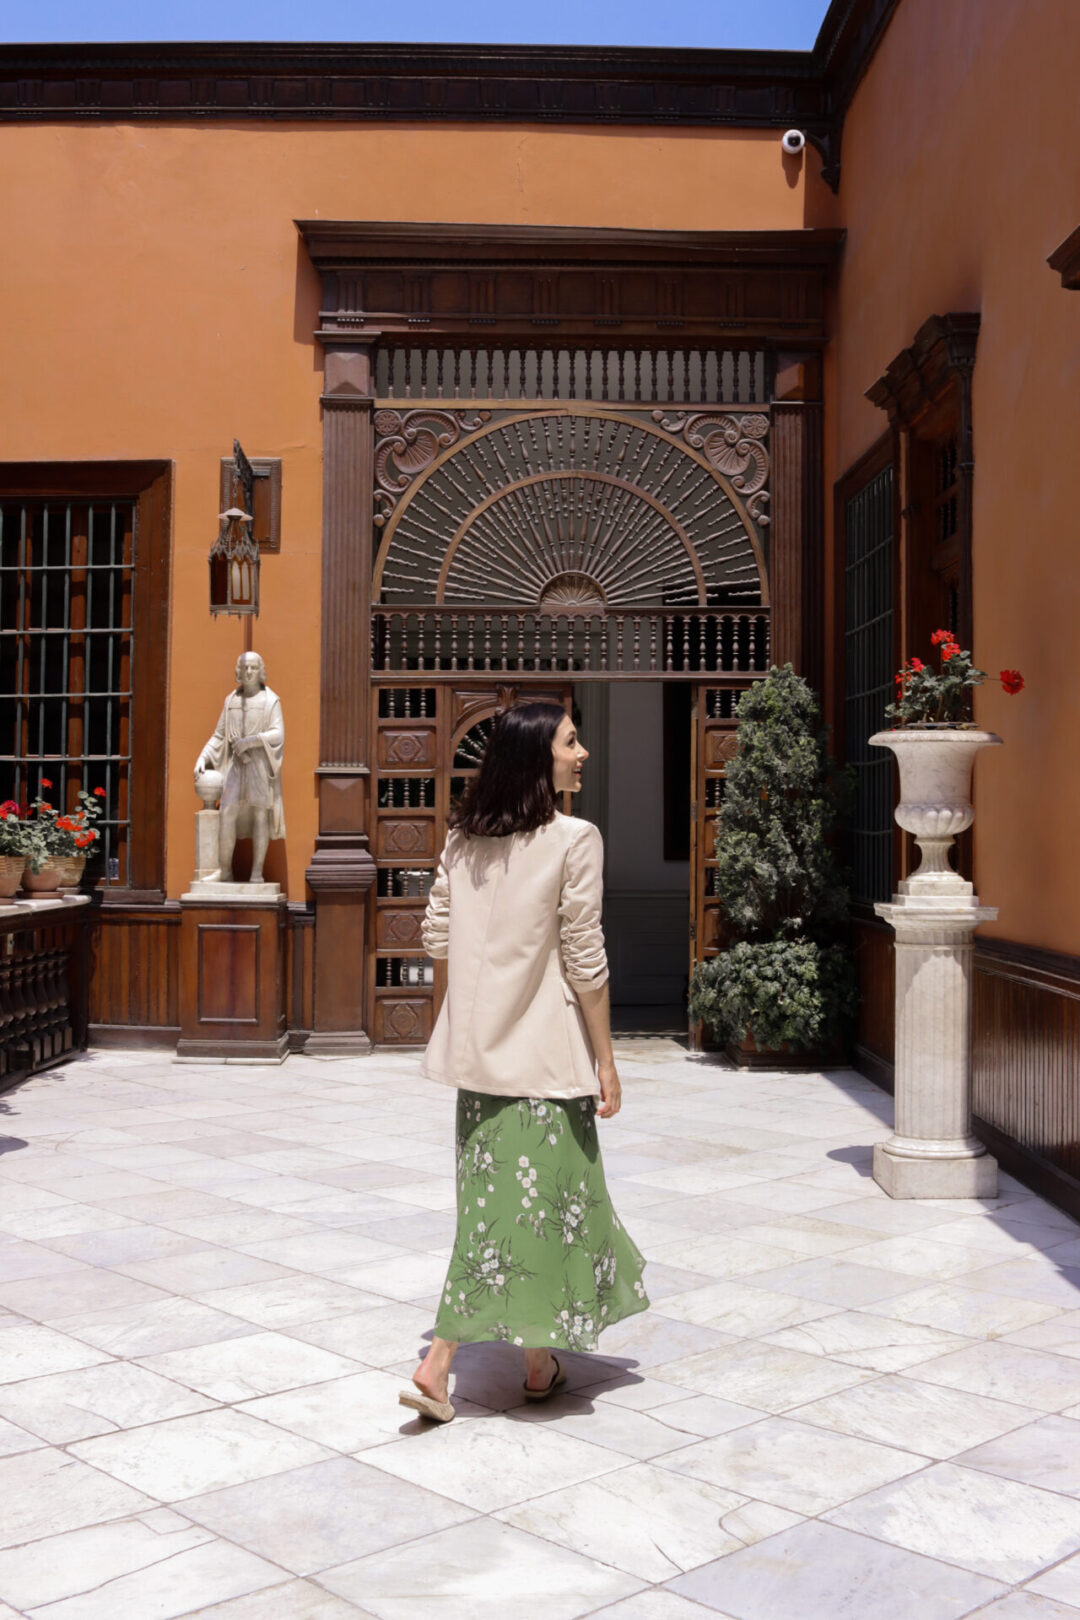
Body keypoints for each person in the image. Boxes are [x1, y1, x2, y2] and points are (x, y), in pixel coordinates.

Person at [399, 701, 649, 1424]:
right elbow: (585, 958)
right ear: (538, 757)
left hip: (481, 1067)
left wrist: (462, 1030)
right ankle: (438, 1362)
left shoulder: (461, 843)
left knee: (507, 1207)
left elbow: (437, 938)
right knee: (516, 1215)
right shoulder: (575, 839)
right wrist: (607, 1059)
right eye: (572, 742)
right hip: (542, 1061)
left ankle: (539, 1360)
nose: (584, 754)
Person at [194, 651, 285, 884]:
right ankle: (225, 871)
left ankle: (257, 872)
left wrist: (249, 742)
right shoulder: (231, 700)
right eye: (244, 668)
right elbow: (219, 735)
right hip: (236, 766)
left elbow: (278, 733)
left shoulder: (270, 700)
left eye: (253, 667)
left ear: (261, 670)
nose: (248, 672)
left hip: (259, 765)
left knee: (260, 816)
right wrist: (203, 757)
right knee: (227, 813)